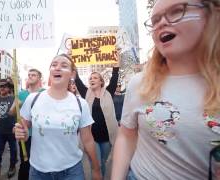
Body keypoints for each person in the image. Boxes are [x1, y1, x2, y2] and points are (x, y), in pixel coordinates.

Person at [111, 0, 220, 179]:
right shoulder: (140, 84)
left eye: (177, 11)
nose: (161, 23)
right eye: (155, 20)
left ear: (209, 16)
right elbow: (126, 134)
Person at [14, 54, 101, 180]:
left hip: (72, 172)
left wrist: (96, 169)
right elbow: (22, 126)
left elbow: (87, 139)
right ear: (50, 71)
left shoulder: (80, 104)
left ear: (72, 74)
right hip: (38, 172)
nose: (57, 68)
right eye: (54, 65)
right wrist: (21, 131)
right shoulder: (33, 99)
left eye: (64, 66)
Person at [74, 57, 120, 177]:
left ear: (101, 82)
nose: (92, 79)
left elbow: (115, 76)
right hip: (92, 138)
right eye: (90, 78)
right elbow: (77, 79)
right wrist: (72, 57)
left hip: (107, 138)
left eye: (95, 78)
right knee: (96, 164)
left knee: (105, 162)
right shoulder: (86, 93)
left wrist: (117, 60)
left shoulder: (109, 92)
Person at [17, 68, 44, 180]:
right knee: (25, 162)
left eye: (33, 75)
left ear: (39, 78)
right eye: (29, 75)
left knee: (40, 162)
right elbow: (12, 113)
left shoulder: (45, 93)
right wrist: (16, 104)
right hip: (24, 134)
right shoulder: (21, 93)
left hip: (40, 135)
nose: (30, 76)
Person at [0, 79, 17, 178]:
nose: (1, 88)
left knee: (14, 150)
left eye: (4, 86)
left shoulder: (14, 98)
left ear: (8, 88)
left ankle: (12, 166)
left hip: (11, 129)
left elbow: (18, 110)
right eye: (0, 86)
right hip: (0, 130)